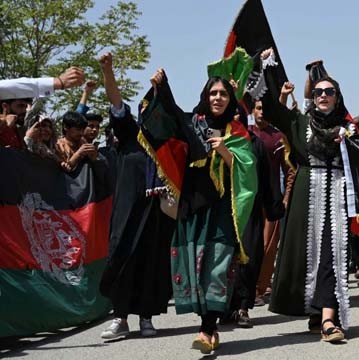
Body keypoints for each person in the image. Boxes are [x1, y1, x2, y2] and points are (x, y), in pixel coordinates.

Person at [138, 68, 257, 354]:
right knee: (195, 267)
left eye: (223, 94)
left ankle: (207, 328)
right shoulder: (192, 123)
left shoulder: (237, 131)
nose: (218, 98)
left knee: (217, 266)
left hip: (222, 207)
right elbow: (169, 118)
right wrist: (161, 88)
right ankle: (210, 327)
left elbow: (248, 171)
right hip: (193, 204)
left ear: (231, 99)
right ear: (205, 96)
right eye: (213, 93)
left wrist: (226, 153)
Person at [258, 48, 351, 343]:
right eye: (319, 91)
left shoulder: (349, 130)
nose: (323, 95)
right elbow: (272, 108)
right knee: (305, 256)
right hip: (306, 198)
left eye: (330, 91)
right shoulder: (299, 123)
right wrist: (268, 67)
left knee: (331, 255)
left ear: (337, 97)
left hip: (337, 196)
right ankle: (315, 312)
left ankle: (327, 319)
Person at [97, 52, 173, 341]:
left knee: (151, 262)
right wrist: (108, 71)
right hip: (127, 211)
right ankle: (120, 318)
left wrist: (161, 90)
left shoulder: (170, 146)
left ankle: (146, 317)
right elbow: (116, 102)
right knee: (122, 258)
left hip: (155, 213)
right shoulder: (129, 133)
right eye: (149, 107)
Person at [250, 98, 291, 306]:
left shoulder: (278, 137)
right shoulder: (244, 133)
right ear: (252, 110)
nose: (261, 112)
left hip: (271, 201)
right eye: (258, 108)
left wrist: (285, 199)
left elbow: (290, 170)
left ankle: (258, 289)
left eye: (265, 108)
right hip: (247, 201)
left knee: (267, 247)